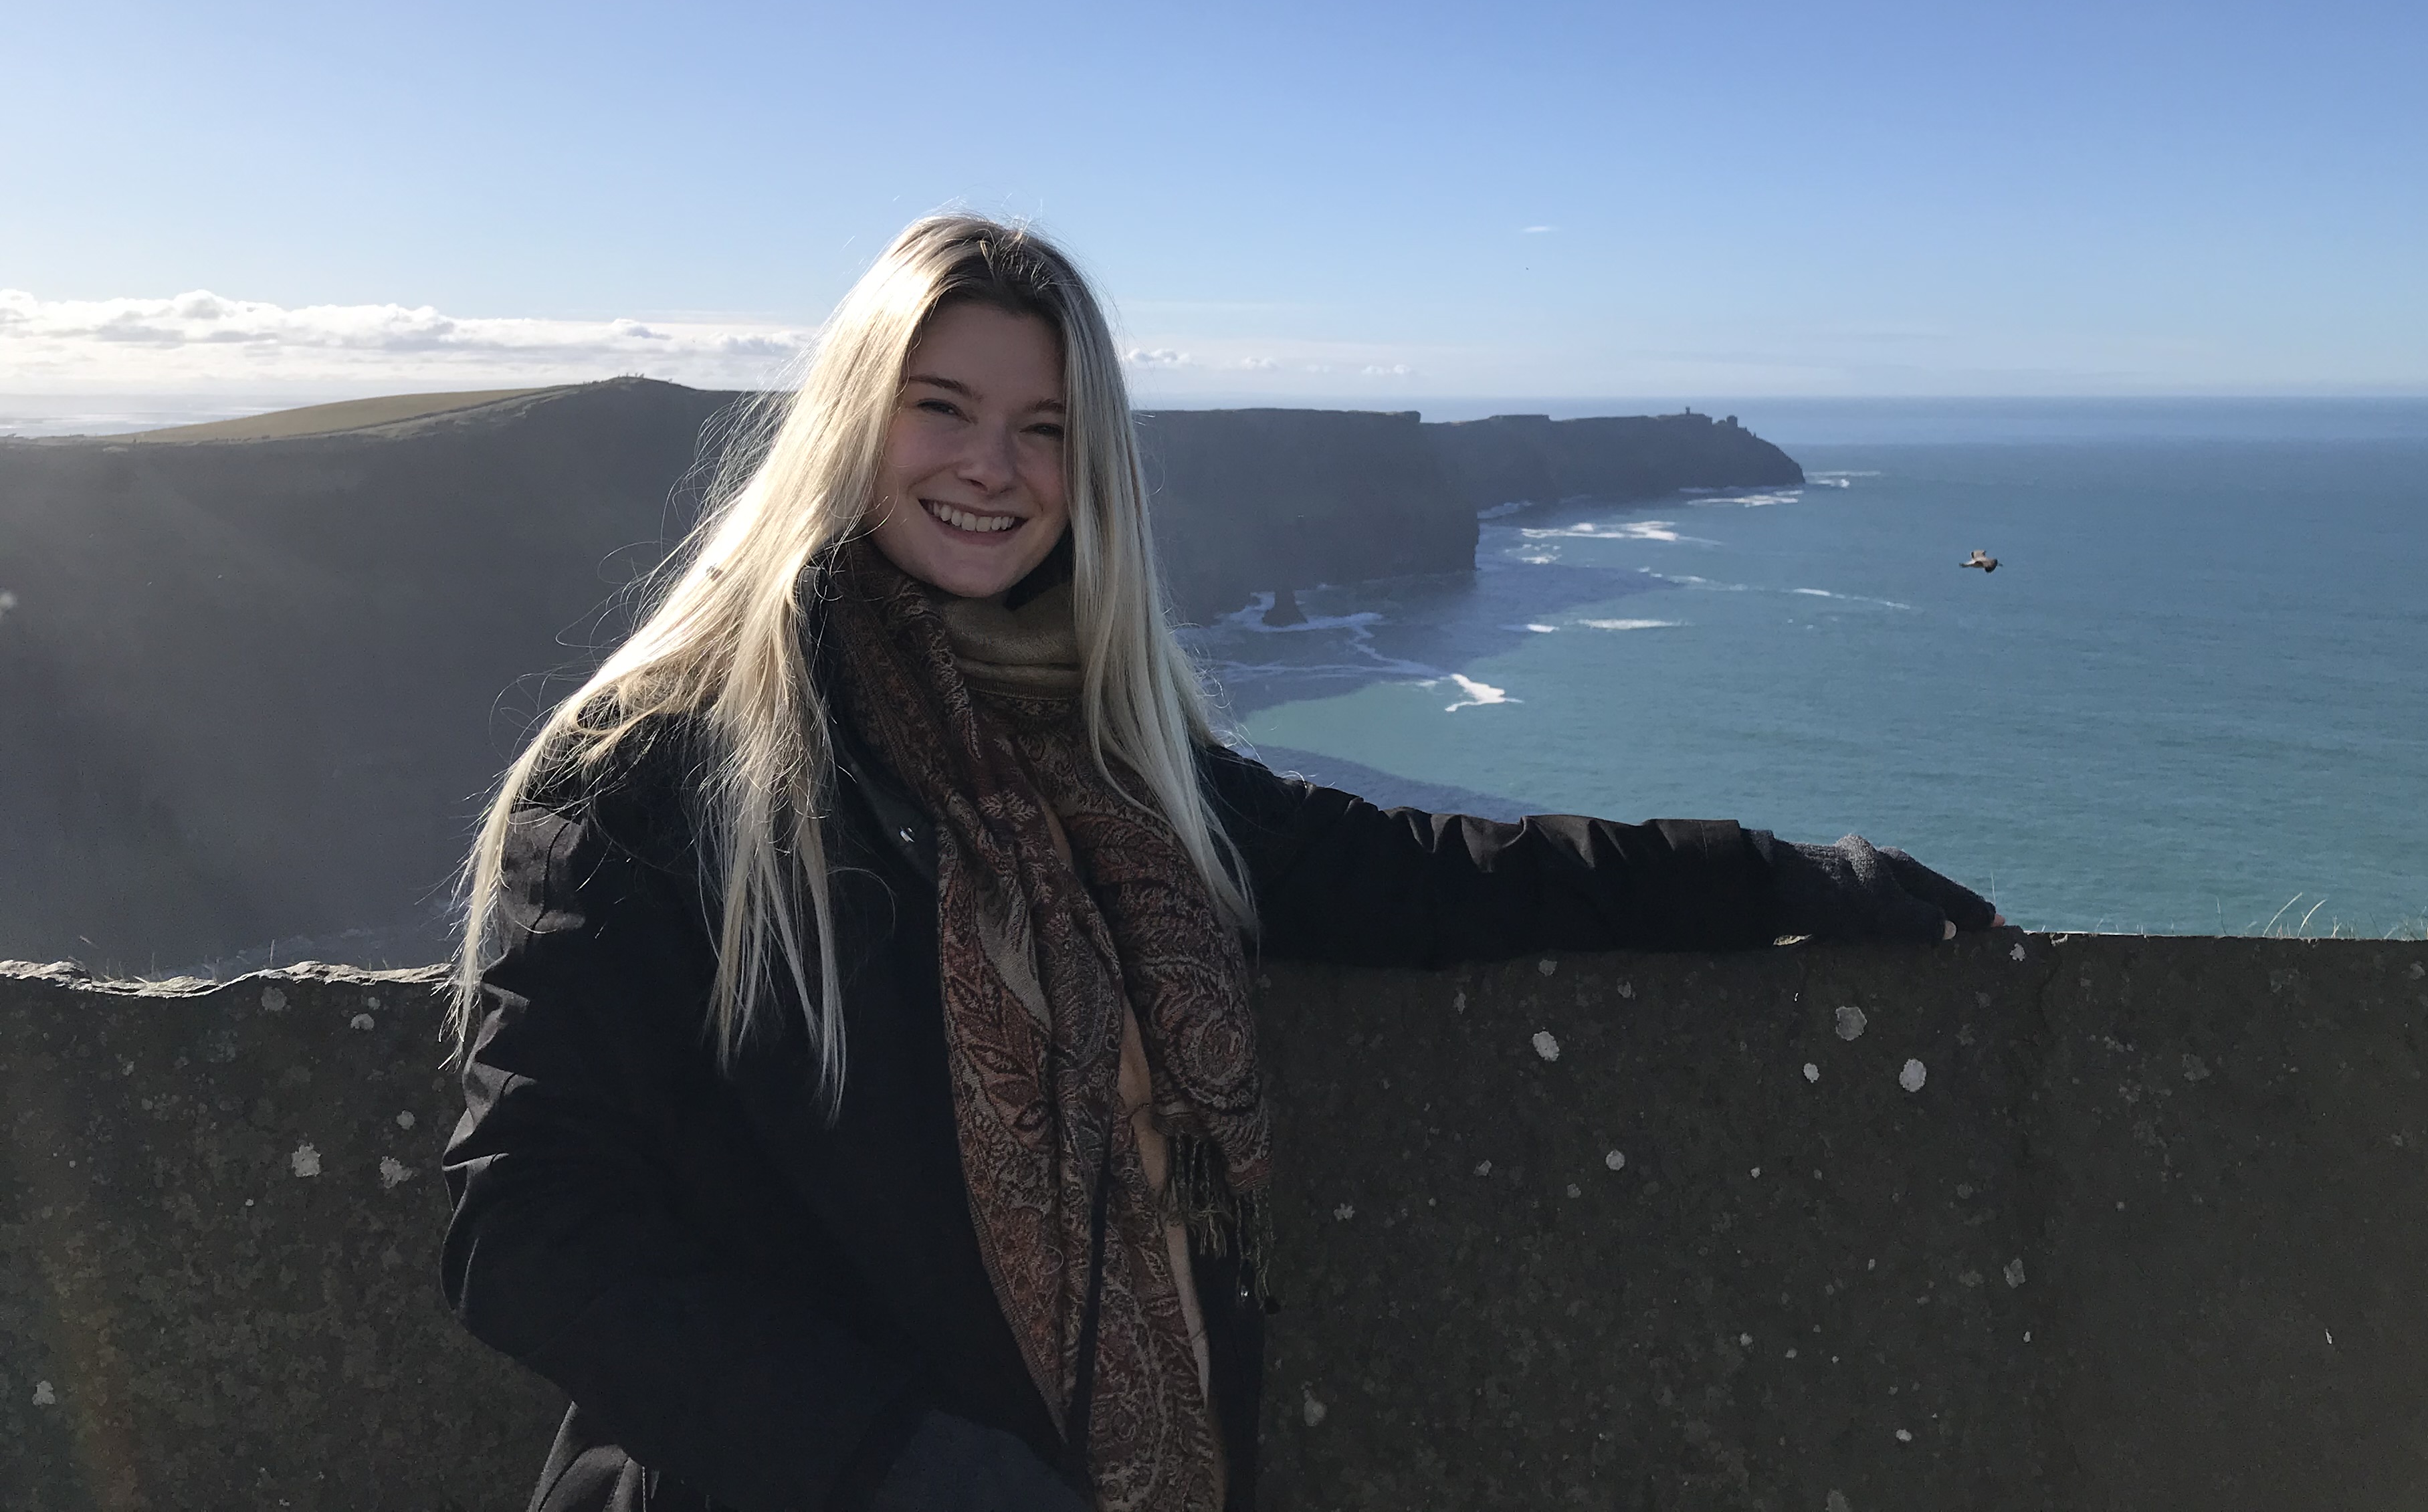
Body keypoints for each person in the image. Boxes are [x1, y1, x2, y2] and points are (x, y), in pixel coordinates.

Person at [441, 214, 2003, 1512]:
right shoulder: (653, 772)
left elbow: (1424, 872)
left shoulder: (1106, 774)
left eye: (1044, 428)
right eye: (943, 406)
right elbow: (525, 1231)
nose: (995, 464)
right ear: (851, 419)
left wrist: (1780, 881)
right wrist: (894, 1461)